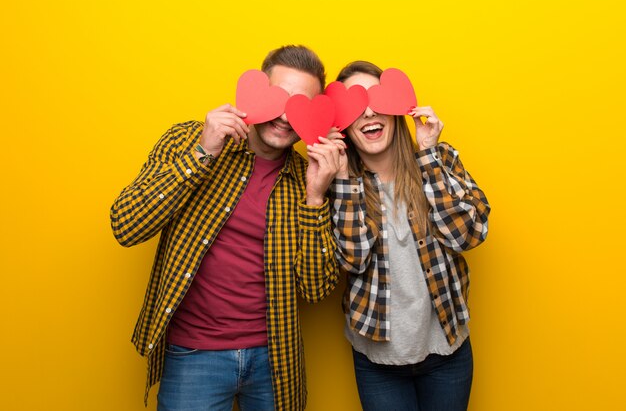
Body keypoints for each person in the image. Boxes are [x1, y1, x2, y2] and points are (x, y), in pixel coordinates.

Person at [110, 45, 343, 411]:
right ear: (255, 92)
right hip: (193, 354)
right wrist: (202, 155)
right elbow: (126, 225)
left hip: (274, 360)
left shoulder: (307, 178)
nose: (285, 116)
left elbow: (316, 290)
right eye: (278, 97)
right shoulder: (189, 140)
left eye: (299, 106)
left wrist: (316, 197)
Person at [329, 61, 490, 411]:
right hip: (378, 360)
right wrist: (342, 179)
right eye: (355, 105)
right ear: (342, 124)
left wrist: (429, 154)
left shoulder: (440, 158)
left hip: (448, 350)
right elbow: (352, 259)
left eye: (375, 98)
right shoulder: (338, 185)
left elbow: (469, 235)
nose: (369, 110)